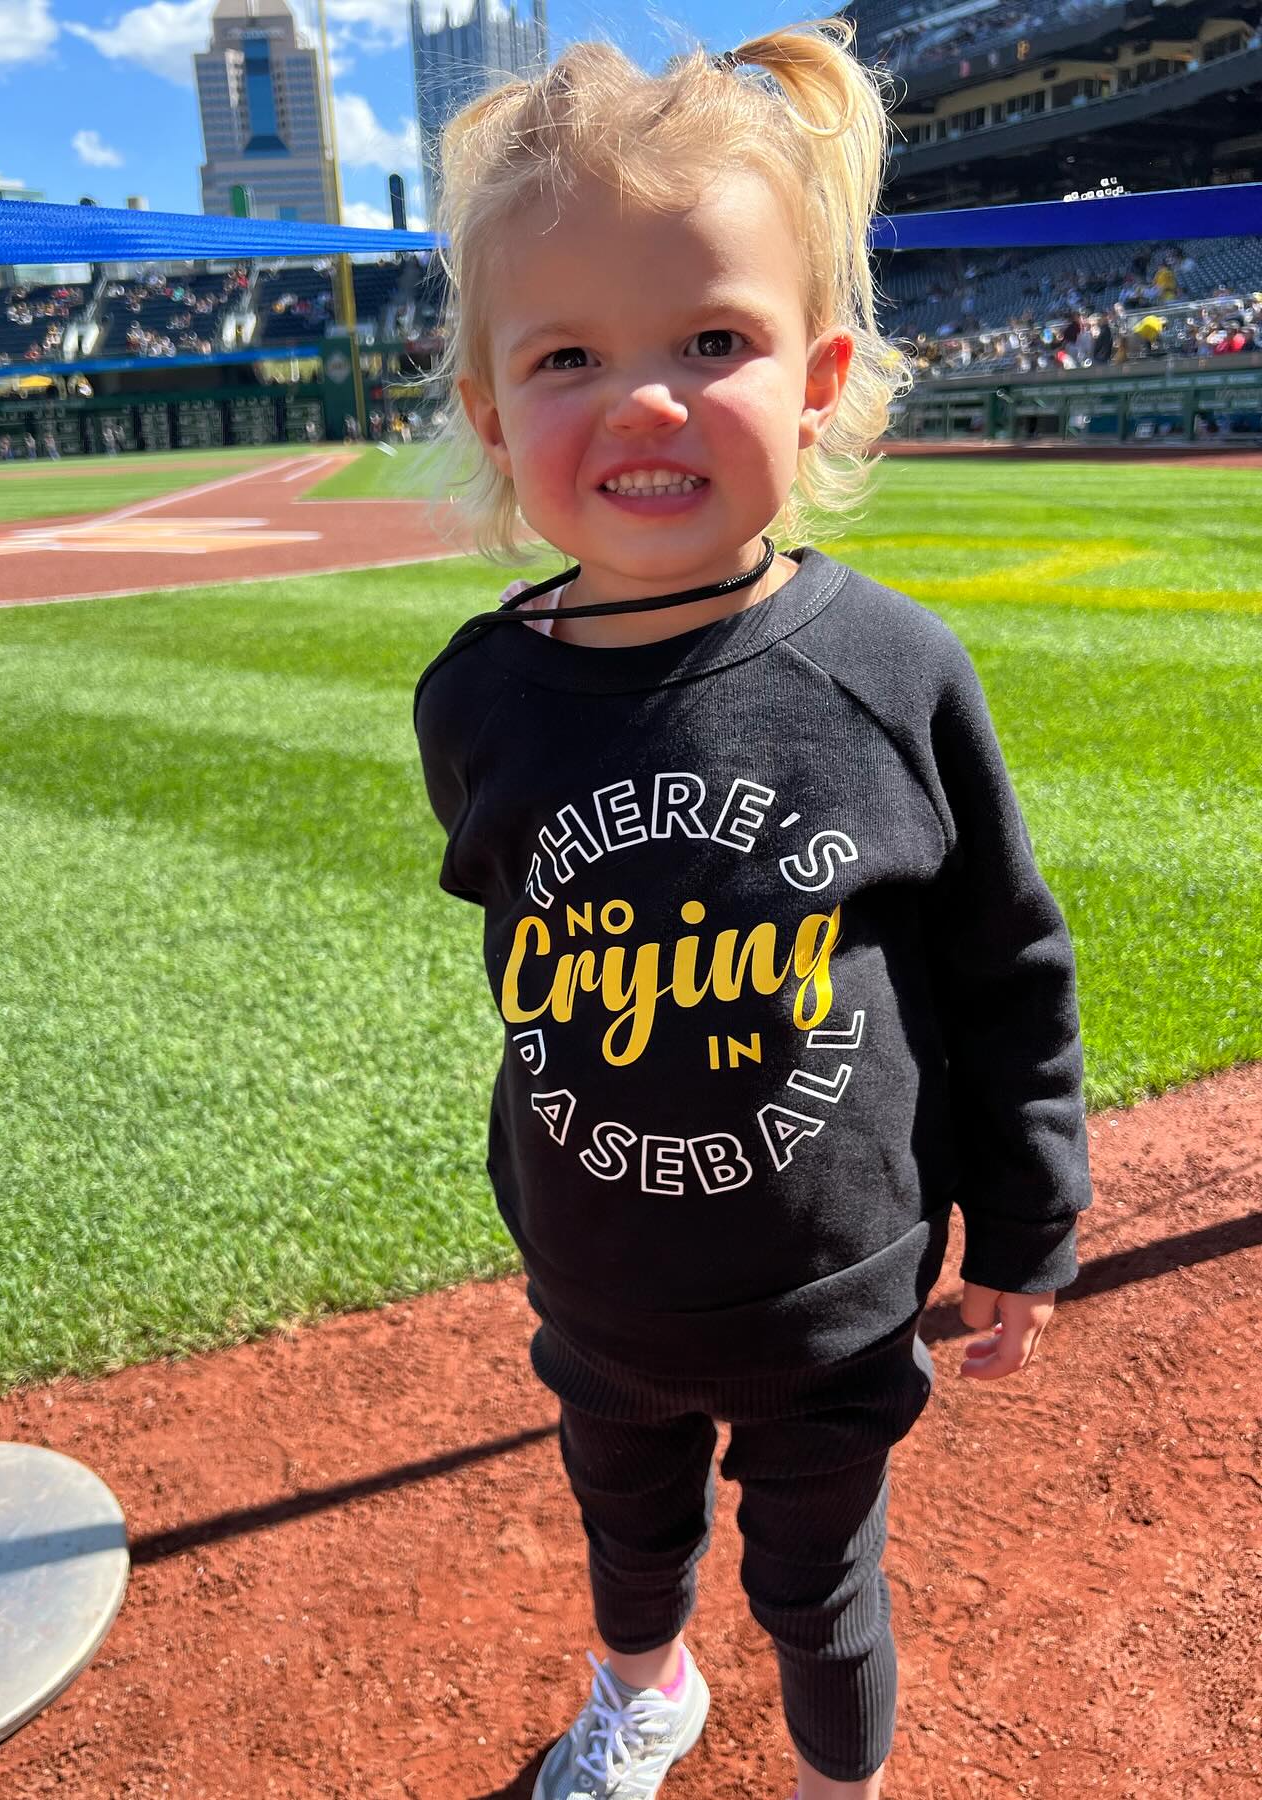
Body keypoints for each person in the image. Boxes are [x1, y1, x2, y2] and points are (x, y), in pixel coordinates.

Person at [412, 22, 1092, 1800]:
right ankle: (644, 1695)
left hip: (834, 1294)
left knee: (817, 1582)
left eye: (713, 341)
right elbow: (525, 957)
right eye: (569, 355)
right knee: (628, 1540)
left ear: (818, 378)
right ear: (492, 411)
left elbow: (1006, 965)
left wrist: (1028, 1223)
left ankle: (831, 1783)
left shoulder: (890, 670)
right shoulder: (474, 698)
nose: (645, 399)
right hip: (599, 1278)